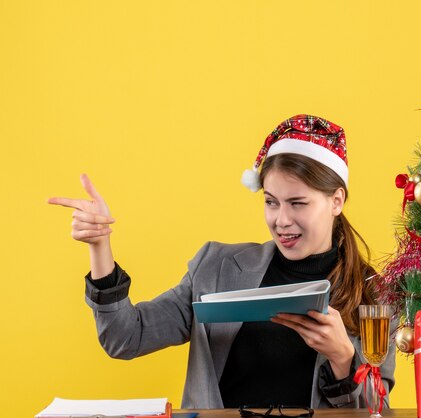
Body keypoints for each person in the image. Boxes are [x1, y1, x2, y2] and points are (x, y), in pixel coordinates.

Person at [48, 114, 396, 409]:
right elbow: (126, 338)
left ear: (336, 201)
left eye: (298, 203)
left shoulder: (376, 296)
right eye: (271, 202)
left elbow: (377, 410)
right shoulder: (215, 268)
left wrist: (342, 359)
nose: (281, 220)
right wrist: (99, 246)